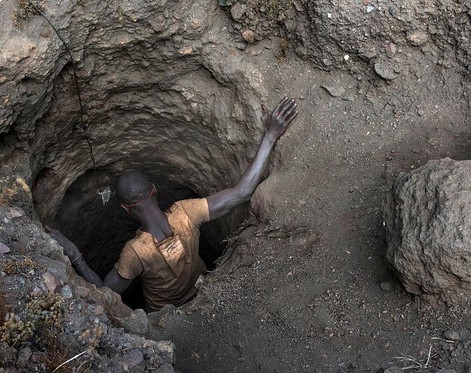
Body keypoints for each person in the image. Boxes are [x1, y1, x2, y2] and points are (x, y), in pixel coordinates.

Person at [46, 97, 298, 311]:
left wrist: (74, 254)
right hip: (203, 291)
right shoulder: (187, 212)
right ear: (155, 190)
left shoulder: (135, 252)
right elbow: (242, 192)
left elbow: (105, 292)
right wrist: (270, 135)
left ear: (125, 209)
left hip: (163, 314)